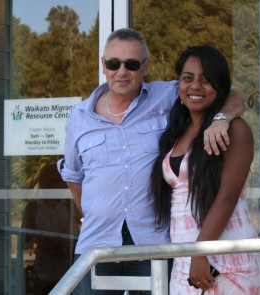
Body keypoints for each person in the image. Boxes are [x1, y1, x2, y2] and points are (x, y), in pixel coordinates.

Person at [57, 28, 244, 295]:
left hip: (153, 245)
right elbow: (74, 176)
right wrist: (95, 212)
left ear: (146, 66)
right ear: (103, 66)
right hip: (96, 246)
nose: (122, 72)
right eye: (114, 63)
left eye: (131, 64)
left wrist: (221, 119)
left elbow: (231, 92)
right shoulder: (79, 116)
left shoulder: (166, 96)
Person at [151, 45, 260, 294]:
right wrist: (193, 255)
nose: (195, 86)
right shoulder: (177, 132)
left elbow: (227, 197)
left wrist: (201, 252)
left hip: (225, 261)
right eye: (187, 78)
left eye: (206, 80)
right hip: (186, 261)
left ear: (221, 86)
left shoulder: (234, 130)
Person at [22, 163, 79, 294]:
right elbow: (25, 240)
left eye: (55, 180)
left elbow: (80, 233)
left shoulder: (72, 206)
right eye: (48, 180)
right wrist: (40, 242)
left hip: (69, 269)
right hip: (42, 270)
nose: (52, 184)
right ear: (42, 183)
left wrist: (65, 244)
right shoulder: (32, 208)